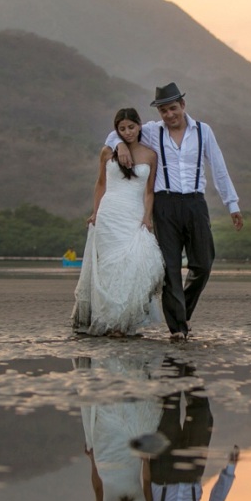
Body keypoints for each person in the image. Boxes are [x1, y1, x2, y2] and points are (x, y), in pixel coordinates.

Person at [104, 83, 243, 342]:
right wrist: (120, 146)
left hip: (195, 203)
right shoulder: (151, 132)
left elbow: (219, 168)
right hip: (164, 205)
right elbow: (120, 133)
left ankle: (181, 311)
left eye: (172, 108)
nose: (169, 115)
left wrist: (232, 204)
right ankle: (178, 328)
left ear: (183, 106)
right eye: (163, 110)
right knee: (170, 268)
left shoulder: (203, 131)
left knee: (203, 262)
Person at [73, 108, 164, 336]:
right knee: (109, 269)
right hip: (109, 214)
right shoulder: (107, 152)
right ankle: (110, 321)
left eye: (131, 127)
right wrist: (95, 212)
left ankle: (124, 320)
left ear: (139, 125)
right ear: (116, 130)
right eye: (122, 129)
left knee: (135, 263)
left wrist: (147, 217)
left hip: (133, 213)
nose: (127, 132)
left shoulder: (150, 155)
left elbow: (149, 191)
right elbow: (101, 184)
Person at [82, 399, 163, 501]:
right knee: (127, 410)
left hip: (105, 457)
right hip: (130, 460)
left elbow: (98, 488)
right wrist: (145, 460)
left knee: (105, 412)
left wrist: (92, 460)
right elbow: (146, 482)